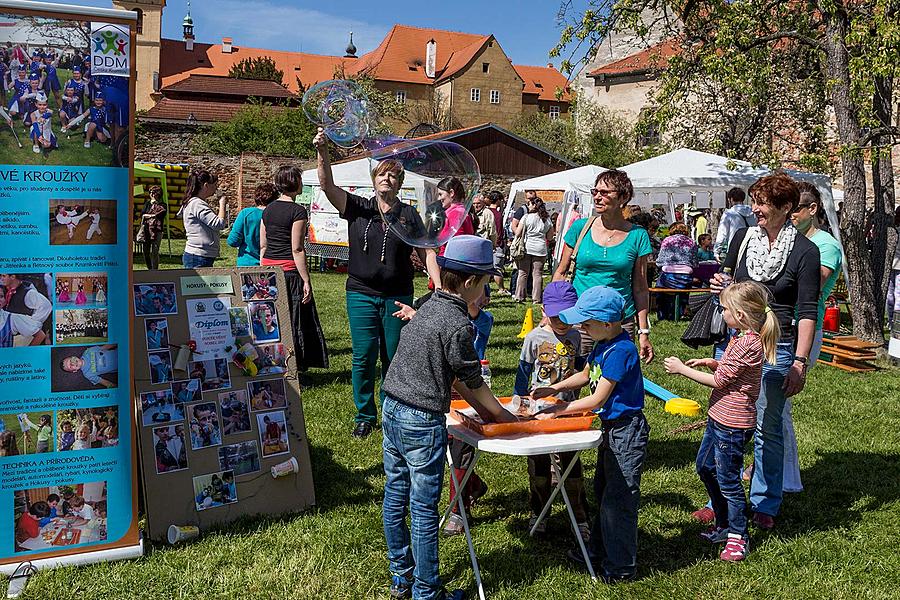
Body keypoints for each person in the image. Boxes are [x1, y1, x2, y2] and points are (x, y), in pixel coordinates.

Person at [380, 235, 516, 600]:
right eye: (487, 283)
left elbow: (454, 374)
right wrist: (501, 415)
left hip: (392, 405)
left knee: (395, 495)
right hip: (421, 418)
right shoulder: (458, 325)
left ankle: (401, 579)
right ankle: (426, 591)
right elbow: (471, 380)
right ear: (471, 282)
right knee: (424, 510)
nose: (487, 291)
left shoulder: (427, 306)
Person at [698, 173, 820, 530]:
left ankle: (765, 501)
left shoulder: (804, 251)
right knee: (724, 419)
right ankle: (720, 498)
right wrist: (721, 285)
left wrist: (799, 362)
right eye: (754, 202)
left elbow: (808, 311)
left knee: (768, 425)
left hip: (778, 347)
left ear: (785, 207)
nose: (755, 210)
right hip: (737, 342)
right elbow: (730, 285)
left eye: (762, 203)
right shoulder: (742, 238)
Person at [315, 127, 441, 438]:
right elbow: (326, 184)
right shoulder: (358, 208)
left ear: (400, 184)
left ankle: (391, 410)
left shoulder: (409, 215)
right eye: (382, 175)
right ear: (374, 179)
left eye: (393, 177)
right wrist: (323, 152)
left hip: (397, 295)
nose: (387, 180)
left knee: (394, 355)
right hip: (360, 293)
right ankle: (364, 415)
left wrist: (438, 285)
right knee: (364, 355)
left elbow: (426, 251)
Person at [532, 286, 649, 583]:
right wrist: (555, 388)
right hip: (612, 430)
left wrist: (561, 408)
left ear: (608, 323)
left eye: (586, 323)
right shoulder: (602, 344)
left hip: (627, 431)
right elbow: (585, 375)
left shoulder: (621, 350)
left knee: (619, 499)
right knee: (604, 492)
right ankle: (597, 550)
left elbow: (597, 399)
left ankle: (621, 566)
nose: (581, 328)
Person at [664, 281, 780, 561]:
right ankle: (724, 523)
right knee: (705, 467)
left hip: (733, 423)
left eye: (725, 308)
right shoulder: (740, 338)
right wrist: (712, 361)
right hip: (719, 417)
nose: (721, 311)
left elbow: (720, 381)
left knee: (728, 480)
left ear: (739, 314)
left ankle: (738, 536)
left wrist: (681, 370)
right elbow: (731, 372)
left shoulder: (747, 343)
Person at [552, 170, 654, 362]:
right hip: (580, 320)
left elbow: (640, 288)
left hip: (619, 322)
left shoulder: (638, 235)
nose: (597, 197)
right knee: (572, 378)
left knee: (615, 383)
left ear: (623, 197)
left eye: (605, 192)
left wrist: (643, 331)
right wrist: (550, 314)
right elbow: (561, 272)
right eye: (595, 191)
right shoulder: (580, 228)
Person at [513, 281, 589, 539]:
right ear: (544, 310)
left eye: (568, 315)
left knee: (571, 462)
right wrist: (521, 404)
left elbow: (581, 367)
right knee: (538, 463)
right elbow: (523, 374)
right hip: (538, 409)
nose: (562, 321)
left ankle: (578, 516)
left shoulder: (576, 336)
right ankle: (540, 510)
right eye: (556, 315)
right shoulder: (534, 338)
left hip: (567, 408)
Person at [260, 166, 328, 371]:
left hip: (268, 270)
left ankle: (271, 363)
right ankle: (295, 366)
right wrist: (306, 279)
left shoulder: (268, 209)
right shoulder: (298, 211)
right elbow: (297, 248)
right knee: (294, 319)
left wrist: (263, 268)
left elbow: (263, 245)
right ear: (295, 183)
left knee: (272, 318)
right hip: (289, 272)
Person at [178, 170, 227, 268]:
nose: (216, 188)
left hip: (199, 254)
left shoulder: (194, 202)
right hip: (198, 255)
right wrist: (222, 203)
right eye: (214, 185)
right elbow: (219, 224)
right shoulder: (197, 204)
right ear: (206, 185)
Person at [655, 222, 698, 321]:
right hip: (686, 277)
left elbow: (660, 260)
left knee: (659, 289)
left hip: (668, 276)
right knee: (683, 292)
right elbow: (695, 262)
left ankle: (663, 315)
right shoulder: (691, 242)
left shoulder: (667, 240)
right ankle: (679, 312)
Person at [513, 197, 553, 303]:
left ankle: (519, 296)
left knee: (522, 272)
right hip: (540, 248)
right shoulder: (547, 219)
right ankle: (537, 298)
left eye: (529, 204)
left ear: (534, 205)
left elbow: (518, 233)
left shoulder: (526, 217)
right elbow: (549, 237)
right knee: (537, 274)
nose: (528, 206)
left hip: (527, 246)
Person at [229, 182, 278, 266]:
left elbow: (233, 241)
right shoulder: (277, 215)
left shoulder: (246, 214)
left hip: (247, 263)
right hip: (271, 263)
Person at [714, 187, 756, 262]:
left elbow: (722, 233)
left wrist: (717, 251)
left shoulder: (729, 213)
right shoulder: (753, 212)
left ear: (730, 199)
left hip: (735, 248)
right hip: (752, 247)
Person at [487, 191, 510, 296]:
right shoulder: (497, 214)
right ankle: (501, 288)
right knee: (497, 268)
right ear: (498, 200)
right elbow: (499, 231)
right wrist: (500, 243)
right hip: (496, 243)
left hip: (486, 243)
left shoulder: (485, 212)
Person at [138, 185, 167, 270]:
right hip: (146, 230)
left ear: (158, 194)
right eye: (150, 192)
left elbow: (160, 215)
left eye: (154, 193)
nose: (152, 194)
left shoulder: (163, 205)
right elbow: (142, 214)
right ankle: (149, 269)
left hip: (157, 230)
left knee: (155, 251)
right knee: (145, 252)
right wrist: (151, 215)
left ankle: (155, 270)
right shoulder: (147, 203)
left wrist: (149, 215)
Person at [888, 206, 900, 329]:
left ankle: (894, 322)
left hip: (896, 265)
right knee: (892, 295)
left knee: (894, 295)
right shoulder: (893, 231)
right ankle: (892, 321)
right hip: (893, 265)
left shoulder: (893, 231)